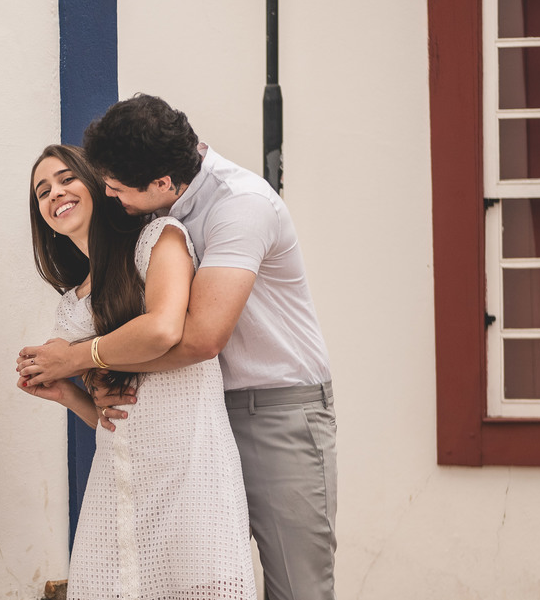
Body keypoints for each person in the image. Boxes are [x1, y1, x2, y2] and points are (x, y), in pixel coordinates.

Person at [19, 96, 337, 600]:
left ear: (163, 184)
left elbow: (198, 338)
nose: (107, 194)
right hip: (199, 412)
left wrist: (84, 358)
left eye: (116, 188)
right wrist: (92, 386)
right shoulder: (152, 217)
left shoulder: (237, 206)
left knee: (296, 584)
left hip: (273, 407)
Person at [18, 144, 255, 600]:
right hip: (117, 489)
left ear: (97, 184)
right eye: (42, 191)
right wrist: (69, 395)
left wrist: (75, 358)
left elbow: (164, 328)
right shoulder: (71, 308)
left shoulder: (158, 238)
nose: (55, 194)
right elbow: (112, 420)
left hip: (191, 473)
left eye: (67, 179)